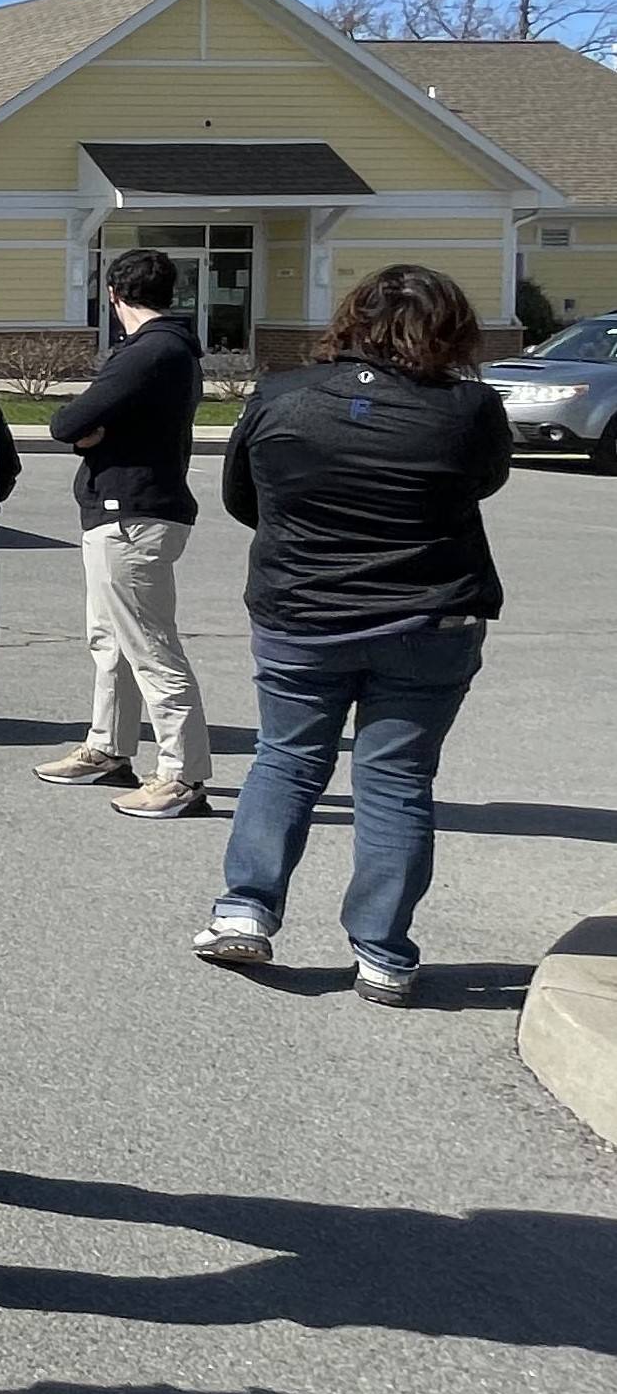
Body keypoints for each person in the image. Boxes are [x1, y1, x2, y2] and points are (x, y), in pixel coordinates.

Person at [191, 264, 508, 1007]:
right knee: (396, 780)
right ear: (453, 329)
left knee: (286, 758)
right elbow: (482, 482)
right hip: (429, 615)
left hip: (302, 612)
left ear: (350, 321)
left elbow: (246, 499)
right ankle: (383, 952)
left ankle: (246, 906)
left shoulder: (281, 395)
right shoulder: (468, 408)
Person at [37, 248, 212, 818]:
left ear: (113, 295)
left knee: (150, 648)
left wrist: (91, 431)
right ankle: (108, 748)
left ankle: (181, 777)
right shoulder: (167, 350)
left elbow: (66, 422)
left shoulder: (149, 351)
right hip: (127, 512)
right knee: (109, 641)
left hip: (132, 516)